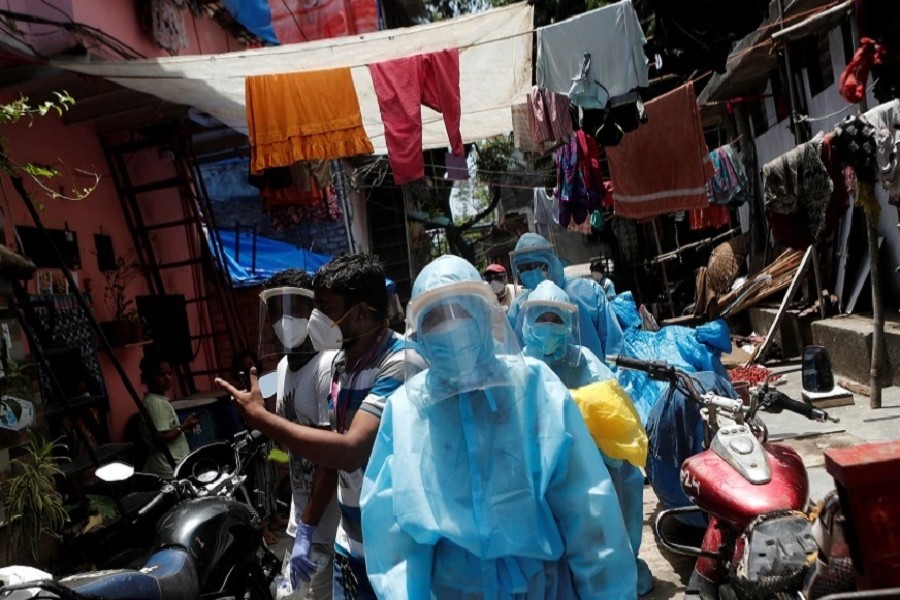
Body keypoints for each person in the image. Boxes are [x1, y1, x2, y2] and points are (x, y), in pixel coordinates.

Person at [360, 255, 636, 598]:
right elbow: (394, 542)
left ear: (483, 314)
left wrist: (607, 592)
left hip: (543, 587)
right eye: (434, 318)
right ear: (419, 332)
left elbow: (588, 509)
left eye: (460, 311)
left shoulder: (535, 387)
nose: (449, 326)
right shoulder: (405, 411)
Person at [216, 254, 423, 600]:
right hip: (352, 541)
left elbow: (349, 449)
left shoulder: (401, 361)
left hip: (397, 544)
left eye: (323, 308)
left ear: (359, 312)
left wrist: (263, 419)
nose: (315, 320)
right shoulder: (344, 363)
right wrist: (305, 528)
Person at [521, 280, 653, 596]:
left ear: (568, 323)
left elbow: (614, 406)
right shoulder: (520, 367)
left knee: (620, 485)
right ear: (528, 321)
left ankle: (620, 564)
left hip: (588, 459)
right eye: (542, 318)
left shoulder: (585, 361)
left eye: (556, 320)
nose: (548, 327)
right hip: (541, 465)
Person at [258, 269, 341, 599]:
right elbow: (289, 445)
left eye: (292, 309)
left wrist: (308, 527)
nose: (283, 320)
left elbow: (330, 458)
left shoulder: (328, 365)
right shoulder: (280, 369)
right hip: (303, 520)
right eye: (276, 311)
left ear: (313, 311)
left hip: (331, 526)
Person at [508, 232, 624, 360]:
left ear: (549, 263)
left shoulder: (589, 292)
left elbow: (614, 345)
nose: (527, 272)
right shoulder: (520, 307)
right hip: (542, 379)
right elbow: (515, 356)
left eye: (532, 266)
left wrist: (614, 377)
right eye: (522, 268)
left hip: (594, 377)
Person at [230, 349, 290, 549]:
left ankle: (274, 516)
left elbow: (268, 413)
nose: (249, 367)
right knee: (261, 486)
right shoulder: (238, 393)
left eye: (251, 363)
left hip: (268, 438)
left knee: (272, 478)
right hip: (255, 444)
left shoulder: (260, 387)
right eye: (244, 365)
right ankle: (263, 528)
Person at [138, 354, 198, 479]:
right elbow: (161, 437)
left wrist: (185, 427)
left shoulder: (158, 400)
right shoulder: (156, 403)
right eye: (161, 375)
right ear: (150, 378)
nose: (167, 378)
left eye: (169, 373)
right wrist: (184, 426)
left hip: (173, 466)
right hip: (167, 468)